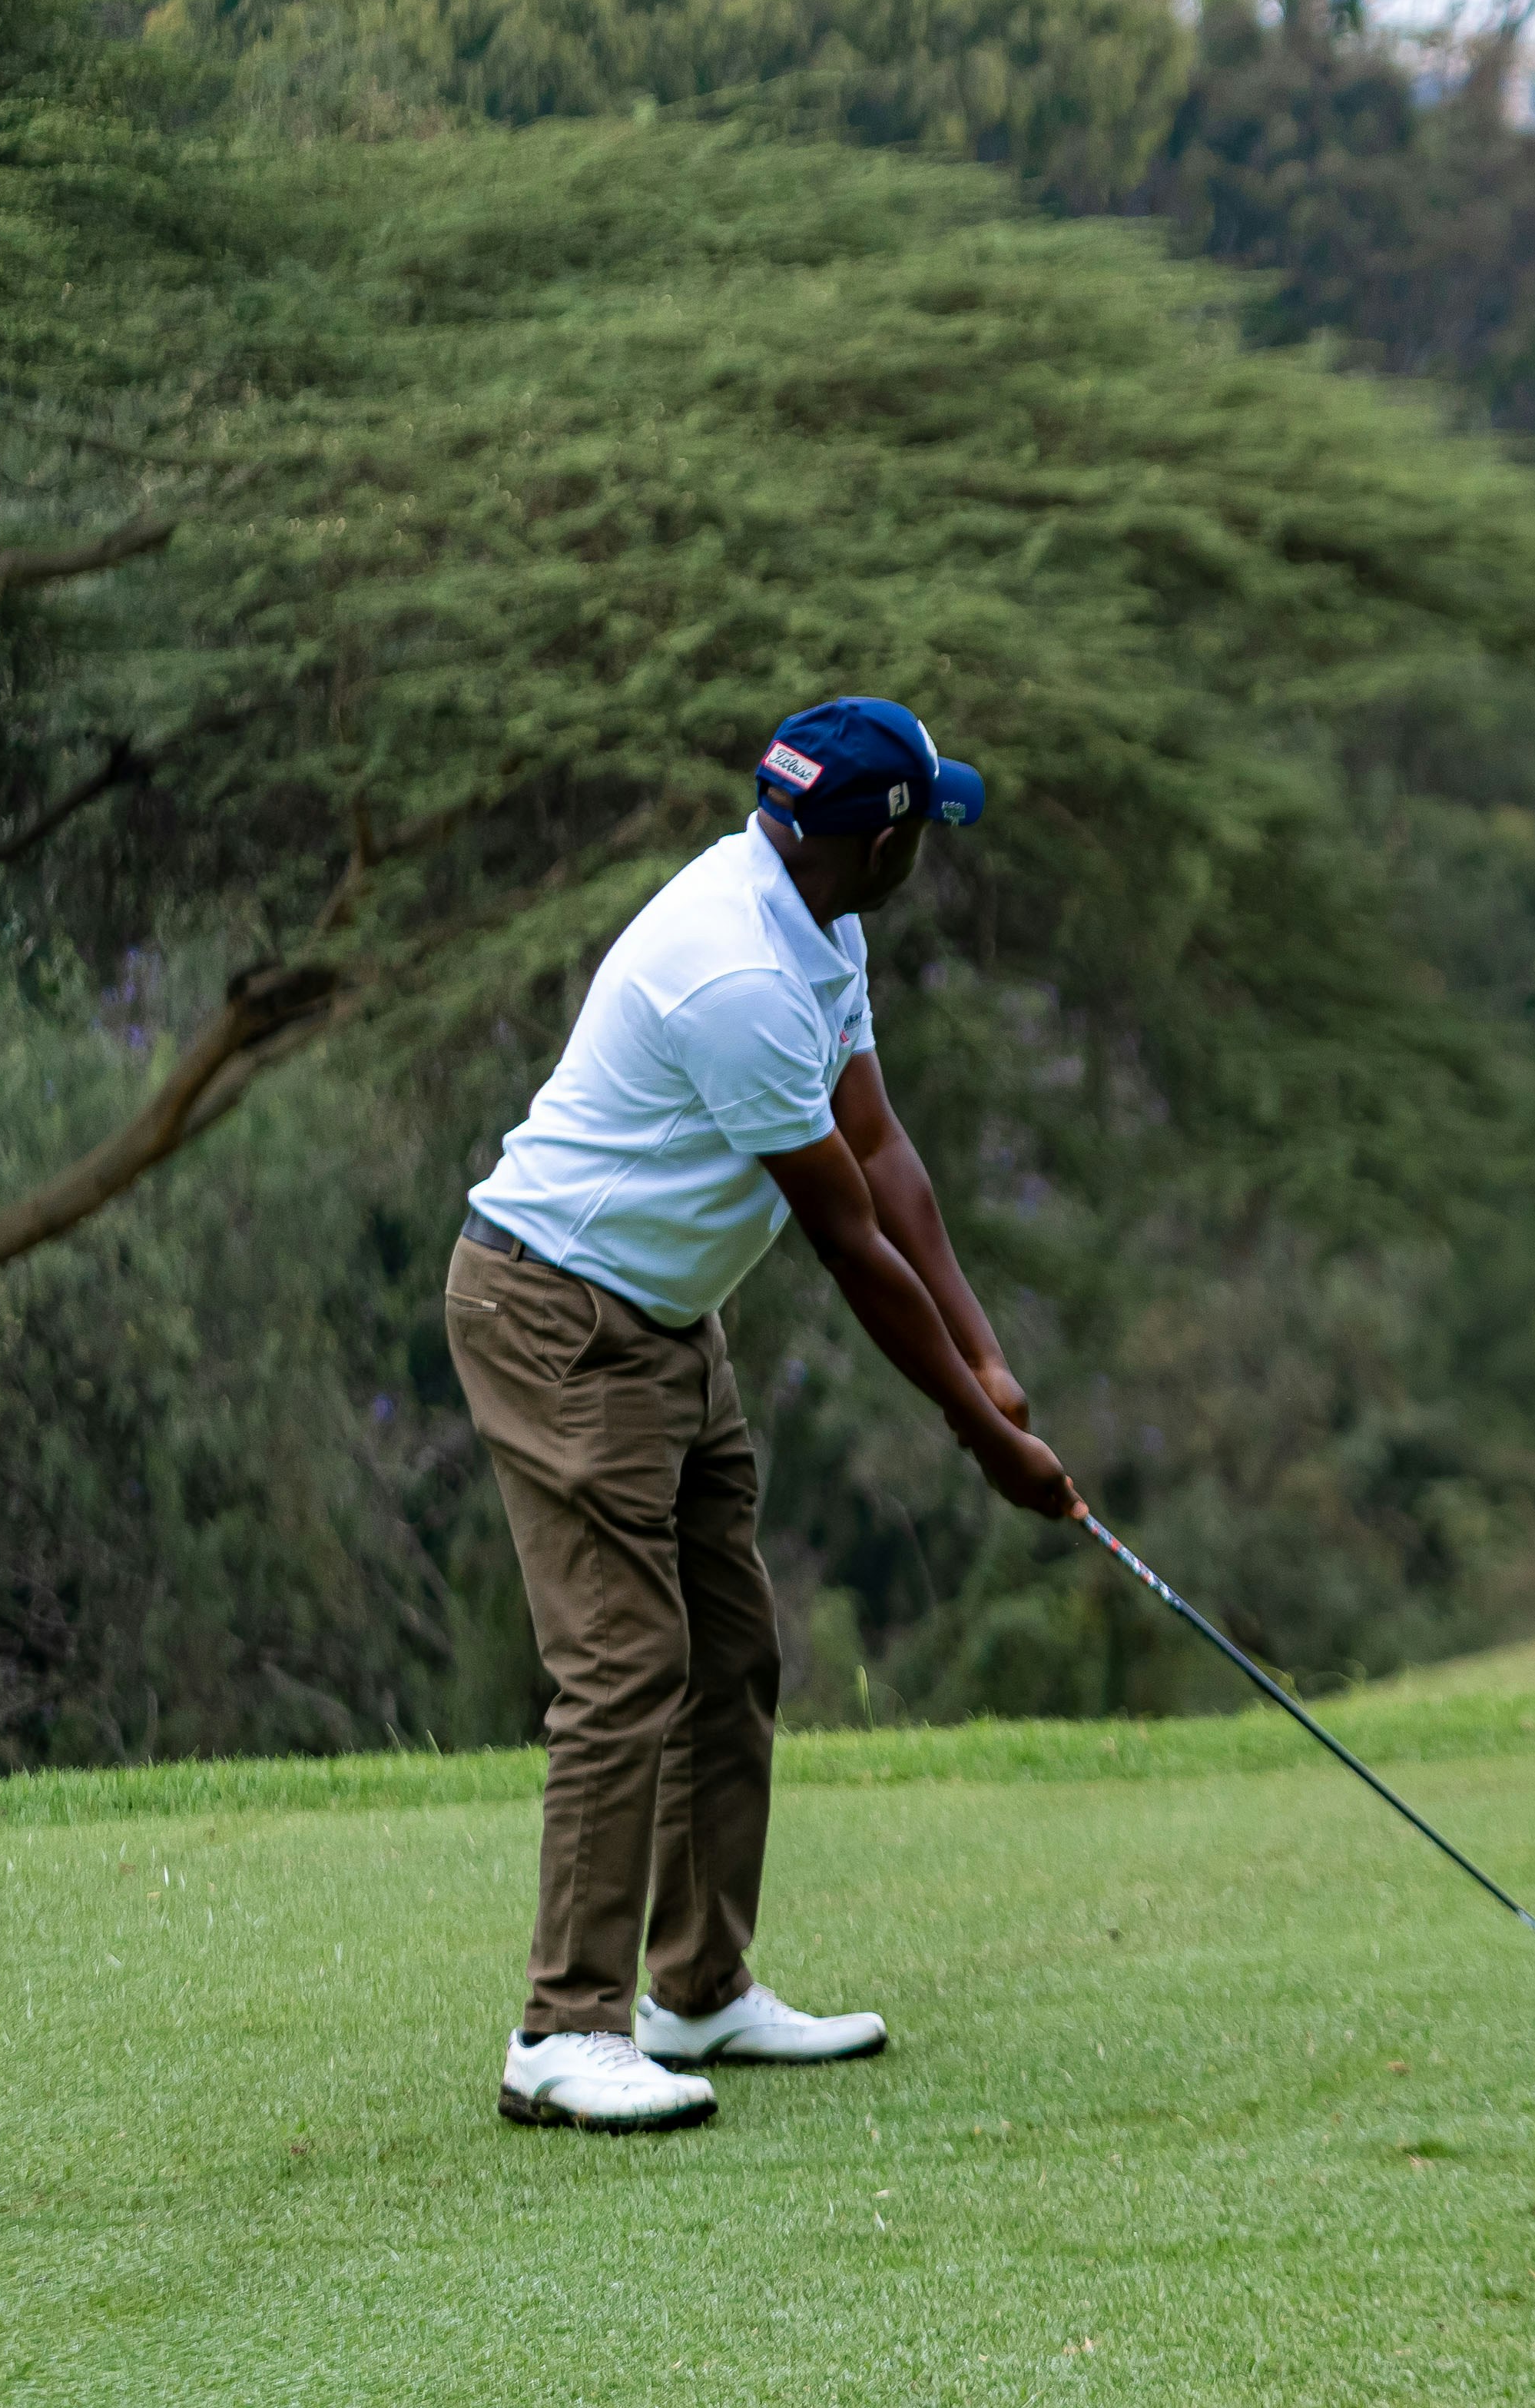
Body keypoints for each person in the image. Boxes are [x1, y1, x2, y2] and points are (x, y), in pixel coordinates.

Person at [446, 698, 1078, 2134]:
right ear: (883, 839)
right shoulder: (733, 968)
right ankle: (562, 2029)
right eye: (930, 824)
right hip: (554, 1313)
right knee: (626, 1660)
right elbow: (850, 1240)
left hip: (667, 1315)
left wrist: (989, 1364)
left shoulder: (819, 923)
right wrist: (985, 1445)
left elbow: (882, 1143)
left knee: (730, 1649)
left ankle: (698, 1989)